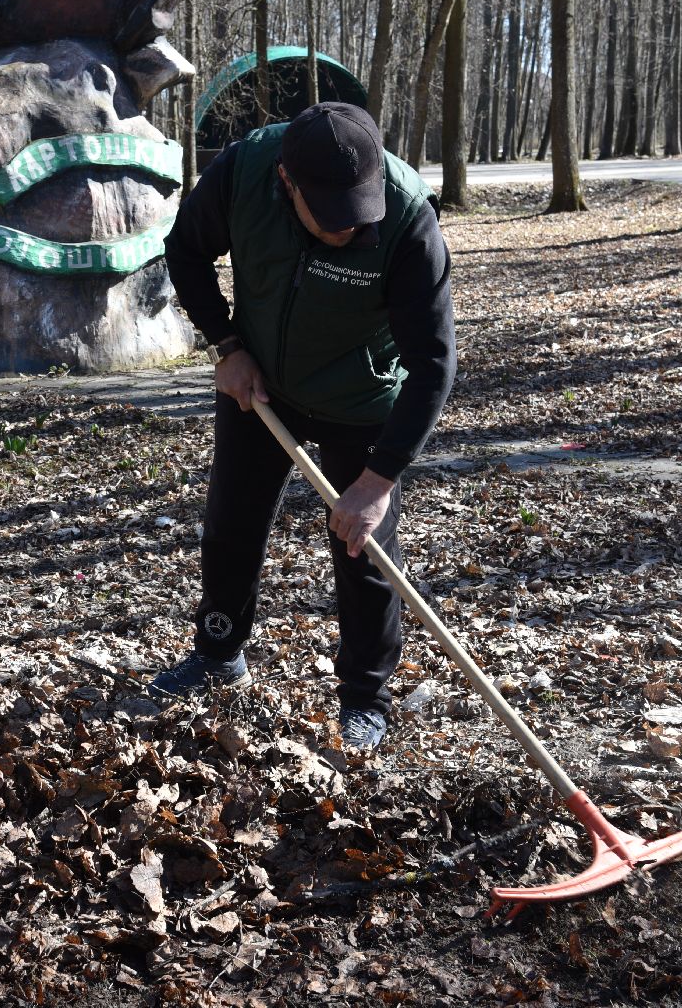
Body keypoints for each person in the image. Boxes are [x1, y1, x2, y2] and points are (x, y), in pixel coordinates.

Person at [149, 102, 456, 750]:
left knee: (363, 547)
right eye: (331, 214)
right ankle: (219, 652)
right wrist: (227, 345)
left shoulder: (407, 218)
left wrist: (377, 481)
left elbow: (434, 363)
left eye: (358, 210)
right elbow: (185, 250)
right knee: (232, 522)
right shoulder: (246, 171)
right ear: (287, 182)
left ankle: (365, 698)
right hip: (263, 383)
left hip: (361, 397)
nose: (349, 227)